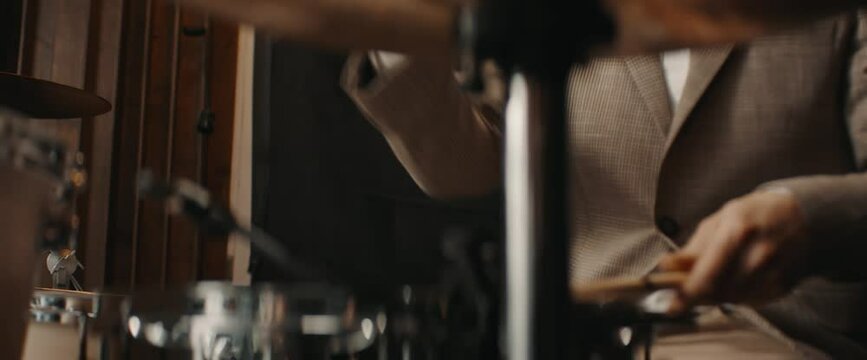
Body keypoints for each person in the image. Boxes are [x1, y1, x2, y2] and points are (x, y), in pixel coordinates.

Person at [341, 11, 867, 359]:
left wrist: (804, 213)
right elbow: (462, 168)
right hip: (585, 331)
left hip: (776, 335)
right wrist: (398, 28)